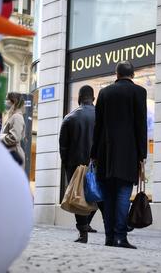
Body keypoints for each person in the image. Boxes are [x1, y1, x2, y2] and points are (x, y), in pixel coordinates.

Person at [90, 61, 148, 249]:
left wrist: (93, 154)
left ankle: (109, 237)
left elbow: (97, 127)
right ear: (133, 75)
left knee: (108, 196)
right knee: (123, 194)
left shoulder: (104, 93)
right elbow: (141, 126)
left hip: (105, 152)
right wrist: (142, 154)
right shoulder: (139, 93)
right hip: (128, 153)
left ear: (116, 74)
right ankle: (120, 237)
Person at [59, 85, 99, 243]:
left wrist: (67, 165)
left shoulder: (70, 117)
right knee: (99, 196)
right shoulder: (102, 116)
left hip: (75, 164)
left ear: (78, 98)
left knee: (78, 197)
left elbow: (63, 146)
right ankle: (114, 234)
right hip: (97, 164)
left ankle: (83, 233)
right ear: (93, 99)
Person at [0, 92, 26, 168]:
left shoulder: (17, 117)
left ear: (13, 101)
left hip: (14, 155)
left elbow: (15, 137)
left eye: (7, 99)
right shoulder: (12, 116)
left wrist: (0, 137)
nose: (5, 102)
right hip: (10, 154)